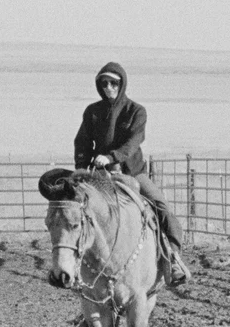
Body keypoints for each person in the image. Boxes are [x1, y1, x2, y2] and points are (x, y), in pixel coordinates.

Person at [73, 61, 191, 288]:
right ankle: (73, 265)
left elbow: (133, 142)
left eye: (113, 83)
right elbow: (83, 141)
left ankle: (173, 258)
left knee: (160, 206)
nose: (109, 87)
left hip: (132, 172)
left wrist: (111, 157)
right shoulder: (92, 112)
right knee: (75, 209)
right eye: (104, 83)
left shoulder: (136, 111)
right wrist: (82, 166)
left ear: (122, 84)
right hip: (100, 174)